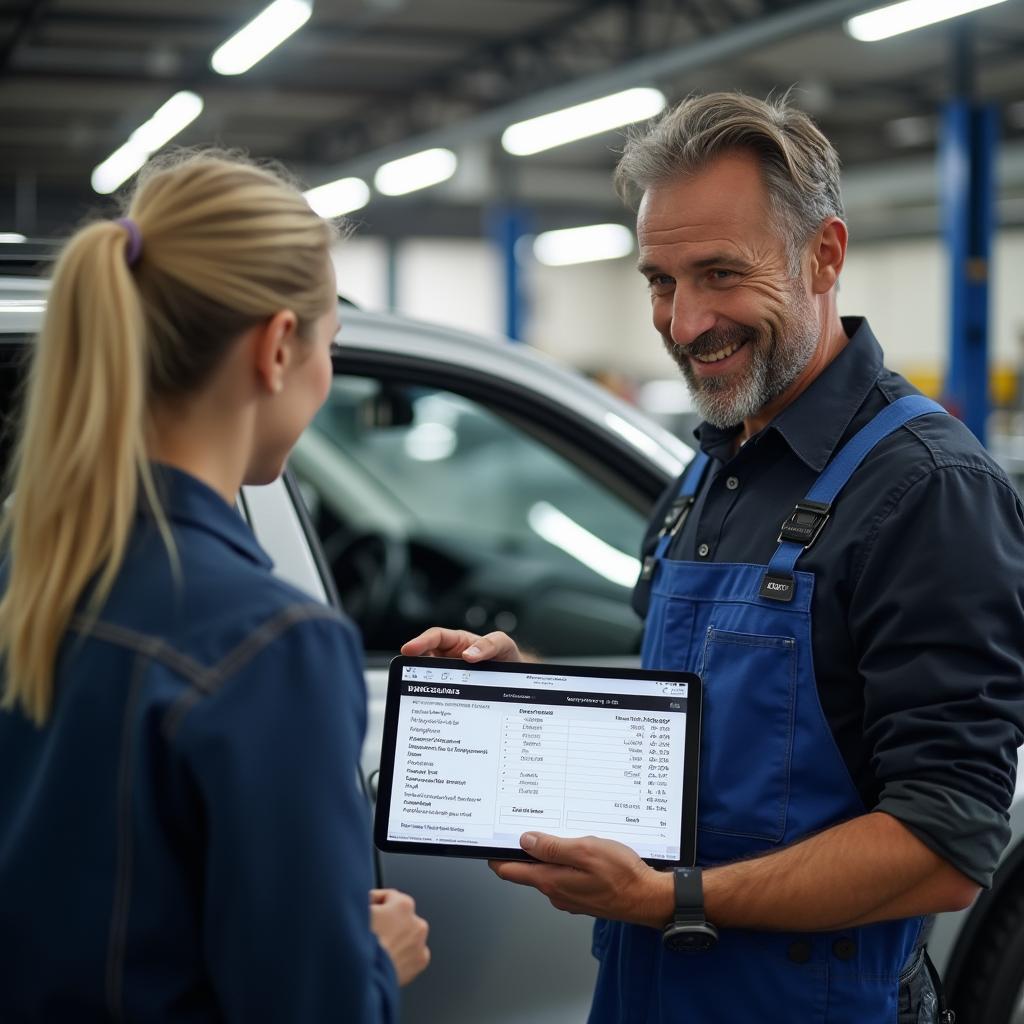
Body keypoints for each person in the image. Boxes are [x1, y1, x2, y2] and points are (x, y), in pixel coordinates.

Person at [402, 92, 1024, 1022]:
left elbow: (947, 841)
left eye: (722, 275)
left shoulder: (928, 490)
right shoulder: (716, 464)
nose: (685, 322)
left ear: (825, 255)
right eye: (660, 280)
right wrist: (524, 699)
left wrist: (673, 900)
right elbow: (706, 734)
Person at [0, 152, 429, 1022]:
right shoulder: (270, 642)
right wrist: (375, 967)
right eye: (329, 347)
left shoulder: (28, 568)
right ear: (277, 348)